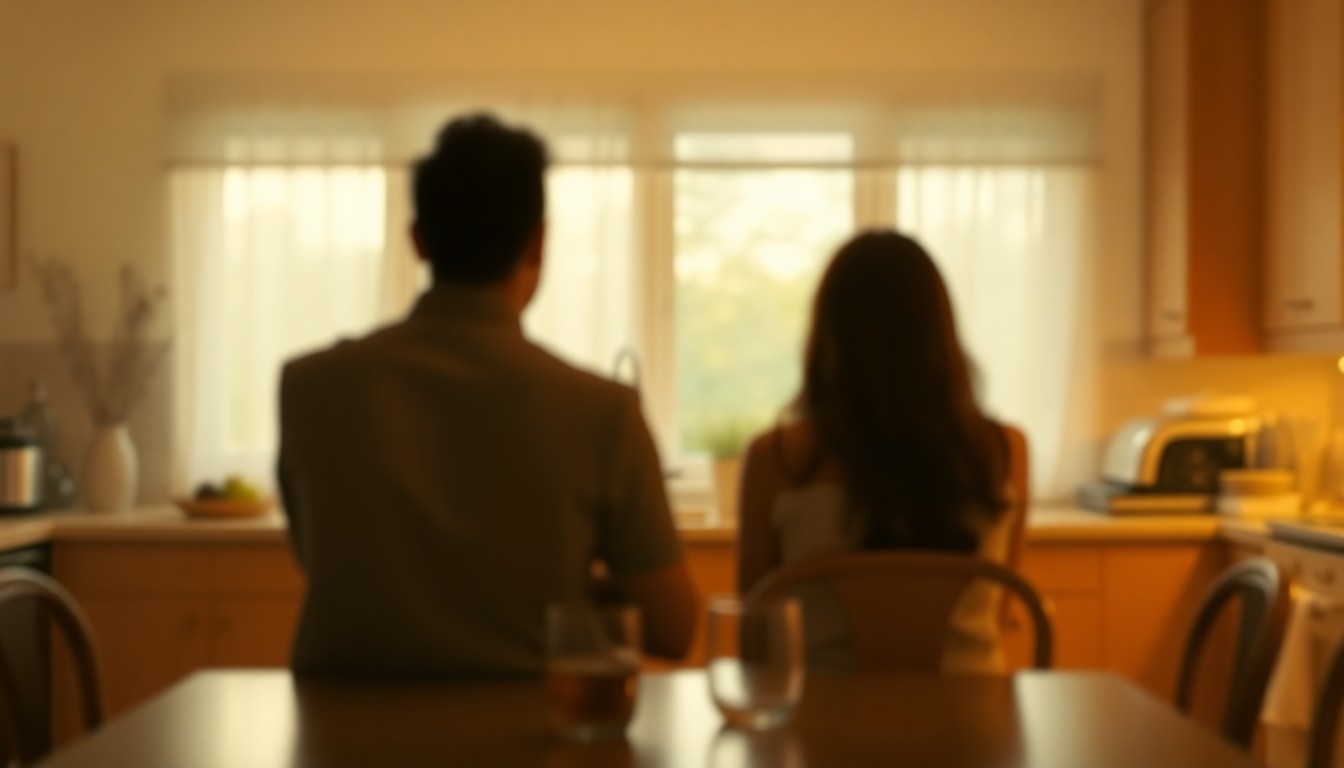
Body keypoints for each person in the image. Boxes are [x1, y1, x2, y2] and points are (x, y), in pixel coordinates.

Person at [277, 114, 698, 677]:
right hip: (534, 740)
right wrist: (570, 589)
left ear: (417, 241)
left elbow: (329, 564)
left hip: (337, 743)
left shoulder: (310, 388)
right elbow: (674, 628)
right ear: (539, 242)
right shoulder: (602, 412)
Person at [736, 230, 1024, 673]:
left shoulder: (775, 459)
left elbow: (754, 642)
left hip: (818, 730)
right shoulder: (1002, 452)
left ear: (828, 334)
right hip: (974, 729)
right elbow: (999, 616)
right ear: (939, 331)